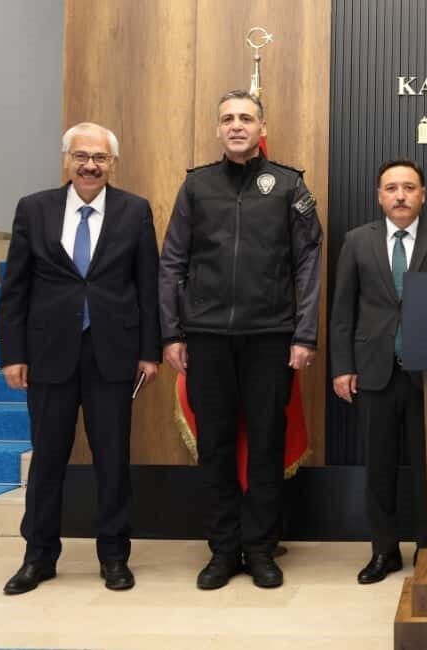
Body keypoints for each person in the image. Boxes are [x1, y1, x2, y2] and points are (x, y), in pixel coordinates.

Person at [158, 90, 322, 590]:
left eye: (246, 118)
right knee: (216, 445)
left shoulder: (289, 185)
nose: (236, 125)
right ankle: (224, 550)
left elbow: (308, 263)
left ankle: (261, 548)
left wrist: (304, 333)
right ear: (218, 128)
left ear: (261, 127)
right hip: (206, 337)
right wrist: (171, 331)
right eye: (227, 118)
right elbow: (173, 261)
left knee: (267, 444)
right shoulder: (196, 185)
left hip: (270, 336)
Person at [0, 122, 160, 594]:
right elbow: (16, 288)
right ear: (67, 159)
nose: (91, 165)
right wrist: (13, 353)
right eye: (82, 156)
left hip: (114, 354)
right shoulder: (34, 209)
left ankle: (114, 556)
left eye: (100, 158)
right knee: (48, 459)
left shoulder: (135, 210)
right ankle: (38, 556)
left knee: (113, 459)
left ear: (113, 163)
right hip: (49, 354)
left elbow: (147, 286)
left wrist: (149, 351)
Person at [329, 158, 427, 584]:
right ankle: (383, 551)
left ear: (423, 194)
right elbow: (342, 311)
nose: (400, 195)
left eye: (409, 187)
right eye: (391, 188)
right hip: (374, 372)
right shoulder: (357, 241)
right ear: (379, 196)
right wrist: (342, 367)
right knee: (379, 467)